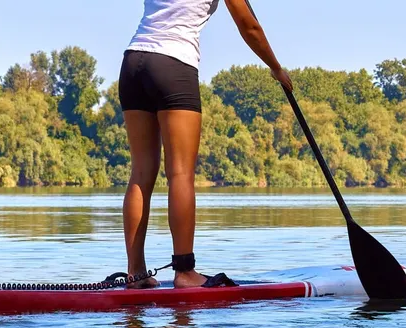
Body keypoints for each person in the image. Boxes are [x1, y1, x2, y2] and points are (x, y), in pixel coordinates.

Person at [118, 0, 292, 288]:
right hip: (172, 64)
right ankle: (185, 272)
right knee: (181, 173)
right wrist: (275, 68)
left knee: (140, 173)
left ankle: (136, 273)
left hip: (132, 62)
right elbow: (249, 26)